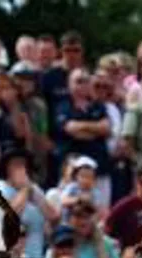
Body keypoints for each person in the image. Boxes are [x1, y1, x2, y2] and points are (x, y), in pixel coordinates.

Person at [54, 68, 112, 205]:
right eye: (78, 81)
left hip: (100, 170)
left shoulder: (99, 106)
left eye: (86, 81)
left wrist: (80, 126)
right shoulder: (63, 106)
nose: (83, 85)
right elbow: (70, 129)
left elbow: (106, 128)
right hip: (72, 173)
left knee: (100, 211)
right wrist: (94, 128)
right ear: (69, 84)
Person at [0, 147, 58, 258]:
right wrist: (25, 189)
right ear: (6, 167)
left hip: (37, 256)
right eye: (16, 164)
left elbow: (53, 216)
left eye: (23, 164)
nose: (21, 168)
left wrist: (31, 190)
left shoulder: (33, 188)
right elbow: (10, 216)